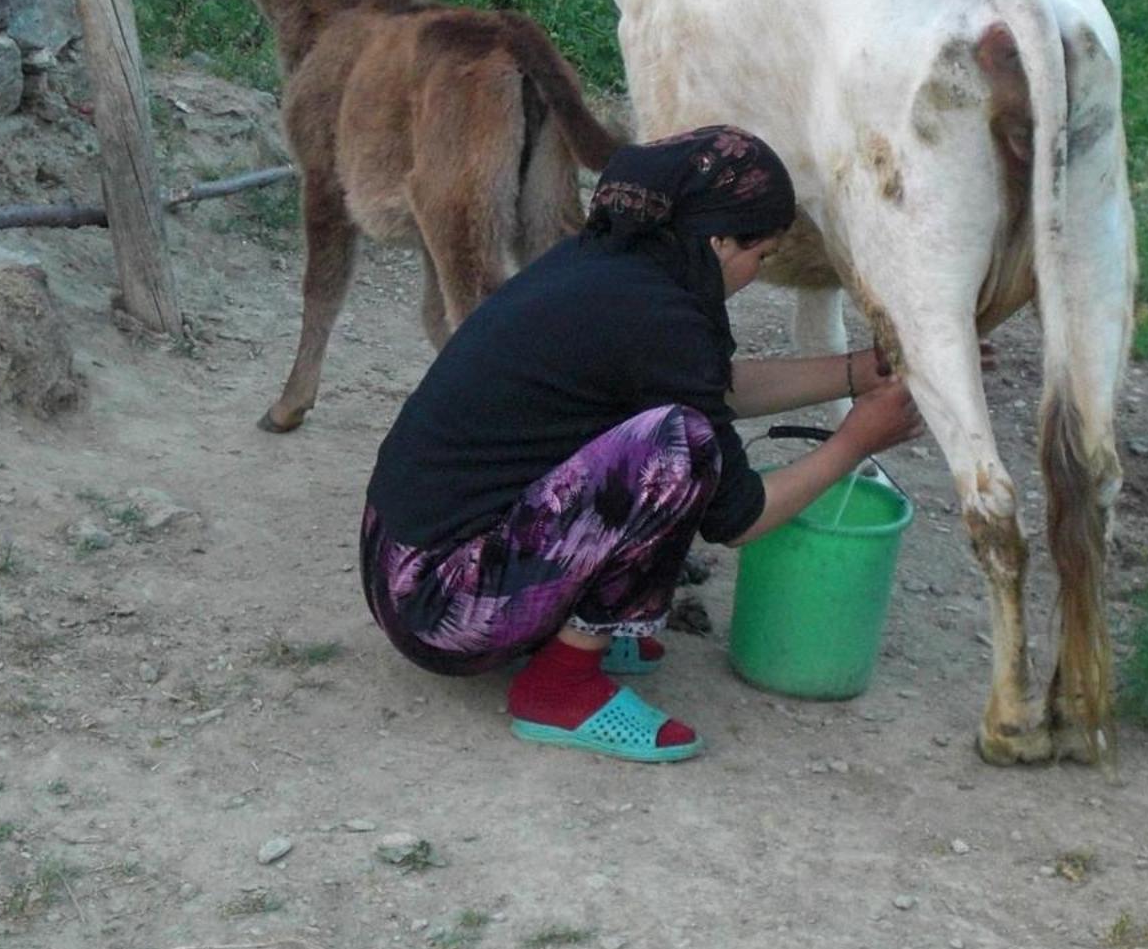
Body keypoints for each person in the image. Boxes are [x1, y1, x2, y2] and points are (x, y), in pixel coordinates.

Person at [360, 124, 927, 763]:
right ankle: (559, 687)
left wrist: (855, 370)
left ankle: (586, 622)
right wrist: (856, 441)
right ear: (716, 240)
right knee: (678, 450)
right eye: (759, 257)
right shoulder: (660, 316)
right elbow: (740, 518)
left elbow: (709, 388)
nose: (755, 274)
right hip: (443, 608)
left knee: (674, 427)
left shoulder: (612, 267)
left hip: (404, 565)